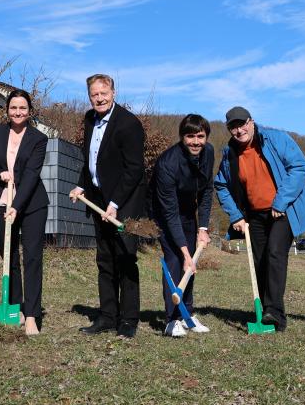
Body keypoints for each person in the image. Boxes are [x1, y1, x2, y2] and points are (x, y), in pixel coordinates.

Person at [215, 106, 305, 331]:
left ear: (252, 122)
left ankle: (275, 313)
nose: (239, 129)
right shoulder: (230, 153)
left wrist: (281, 202)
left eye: (242, 123)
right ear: (229, 129)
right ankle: (264, 310)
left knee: (274, 253)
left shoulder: (276, 139)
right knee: (260, 259)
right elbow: (221, 184)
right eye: (233, 126)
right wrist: (236, 216)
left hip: (283, 210)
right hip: (254, 216)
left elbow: (300, 167)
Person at [69, 74, 146, 339]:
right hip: (98, 200)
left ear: (113, 92)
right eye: (94, 94)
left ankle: (128, 319)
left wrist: (115, 204)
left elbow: (134, 170)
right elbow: (90, 160)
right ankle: (108, 316)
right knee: (104, 260)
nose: (99, 98)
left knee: (125, 258)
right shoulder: (90, 120)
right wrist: (82, 185)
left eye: (103, 93)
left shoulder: (129, 124)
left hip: (125, 202)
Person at [0, 90, 49, 336]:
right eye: (13, 108)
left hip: (31, 205)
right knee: (9, 258)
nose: (18, 112)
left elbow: (31, 176)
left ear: (29, 111)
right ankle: (17, 309)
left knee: (32, 258)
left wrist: (16, 206)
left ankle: (31, 315)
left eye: (22, 108)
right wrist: (0, 174)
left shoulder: (39, 139)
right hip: (0, 202)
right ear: (7, 110)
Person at [150, 114, 214, 337]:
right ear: (181, 137)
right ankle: (171, 320)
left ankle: (187, 315)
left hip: (188, 211)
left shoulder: (209, 153)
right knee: (176, 260)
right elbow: (169, 213)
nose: (195, 142)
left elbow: (206, 191)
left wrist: (203, 228)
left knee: (190, 266)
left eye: (200, 136)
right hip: (164, 214)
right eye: (190, 136)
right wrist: (186, 253)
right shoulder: (168, 163)